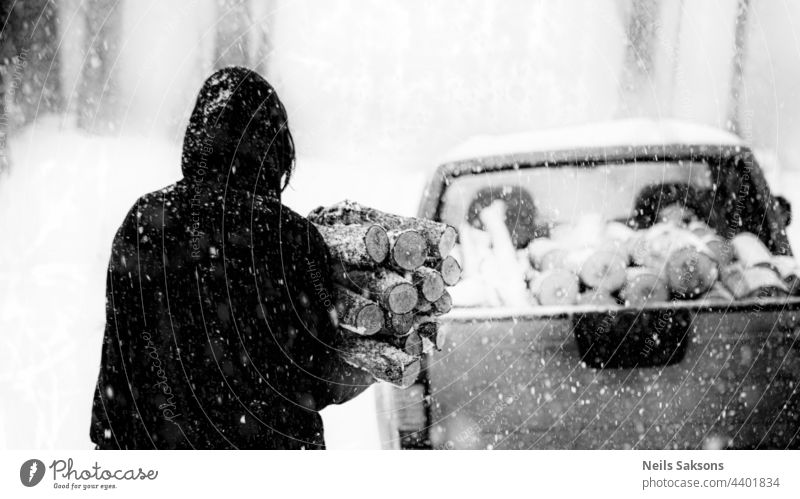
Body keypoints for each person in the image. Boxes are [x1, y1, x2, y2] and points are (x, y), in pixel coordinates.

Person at [90, 67, 373, 449]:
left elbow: (117, 375)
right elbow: (316, 378)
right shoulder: (292, 240)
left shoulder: (145, 221)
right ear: (273, 147)